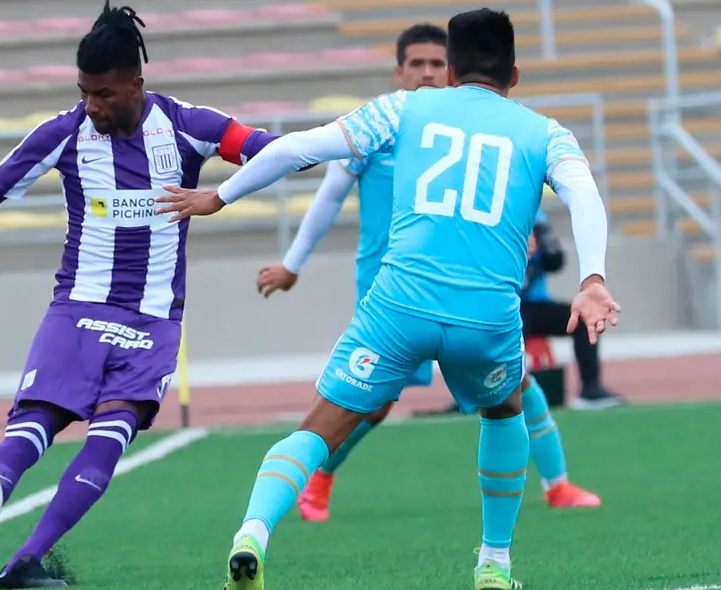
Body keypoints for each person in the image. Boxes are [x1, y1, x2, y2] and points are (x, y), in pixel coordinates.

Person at [154, 9, 619, 589]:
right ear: (515, 76)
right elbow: (585, 196)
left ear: (450, 71)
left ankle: (252, 533)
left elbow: (298, 148)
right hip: (486, 316)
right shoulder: (546, 133)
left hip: (397, 307)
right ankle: (494, 566)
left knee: (319, 430)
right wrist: (593, 278)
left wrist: (219, 196)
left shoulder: (404, 107)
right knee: (504, 413)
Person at [0, 3, 285, 589]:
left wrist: (222, 194)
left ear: (136, 84)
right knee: (27, 432)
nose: (92, 105)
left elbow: (275, 151)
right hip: (78, 308)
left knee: (111, 437)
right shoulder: (65, 133)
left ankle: (26, 564)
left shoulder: (190, 126)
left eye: (104, 94)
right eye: (84, 92)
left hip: (153, 320)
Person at [257, 23, 600, 524]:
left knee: (516, 384)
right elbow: (329, 196)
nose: (426, 72)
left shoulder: (478, 132)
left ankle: (558, 484)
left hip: (463, 290)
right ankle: (321, 481)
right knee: (373, 406)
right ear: (399, 71)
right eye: (415, 64)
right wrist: (292, 263)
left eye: (436, 64)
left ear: (453, 71)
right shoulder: (384, 124)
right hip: (391, 288)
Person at [523, 209, 625, 409]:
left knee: (583, 318)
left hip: (535, 305)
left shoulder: (535, 217)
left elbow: (555, 262)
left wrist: (541, 245)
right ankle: (477, 396)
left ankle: (590, 389)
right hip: (504, 305)